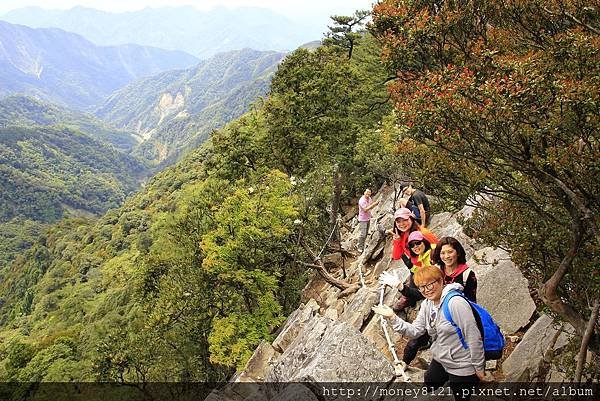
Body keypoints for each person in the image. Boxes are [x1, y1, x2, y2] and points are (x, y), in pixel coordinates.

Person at [373, 265, 484, 401]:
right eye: (422, 287)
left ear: (441, 281)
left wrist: (479, 367)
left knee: (461, 396)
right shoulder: (427, 304)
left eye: (430, 284)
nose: (426, 290)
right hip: (441, 358)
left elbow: (473, 336)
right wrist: (392, 317)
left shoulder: (456, 303)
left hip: (462, 364)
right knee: (430, 383)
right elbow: (415, 331)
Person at [385, 208, 438, 311]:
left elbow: (437, 249)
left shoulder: (423, 233)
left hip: (428, 269)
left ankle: (409, 296)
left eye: (405, 220)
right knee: (411, 274)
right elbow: (396, 256)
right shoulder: (402, 235)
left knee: (420, 291)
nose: (402, 224)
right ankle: (410, 296)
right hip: (416, 268)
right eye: (398, 221)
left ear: (412, 219)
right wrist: (397, 241)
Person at [432, 237, 477, 303]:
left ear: (458, 253)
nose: (446, 256)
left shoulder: (468, 275)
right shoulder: (436, 270)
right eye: (442, 253)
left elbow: (471, 301)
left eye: (450, 252)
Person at [357, 188, 379, 253]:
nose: (368, 194)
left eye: (369, 192)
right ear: (364, 192)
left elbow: (370, 207)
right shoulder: (361, 200)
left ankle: (362, 245)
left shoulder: (369, 199)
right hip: (362, 219)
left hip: (368, 218)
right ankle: (359, 247)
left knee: (366, 234)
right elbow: (365, 209)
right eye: (367, 192)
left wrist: (373, 206)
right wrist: (374, 204)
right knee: (363, 234)